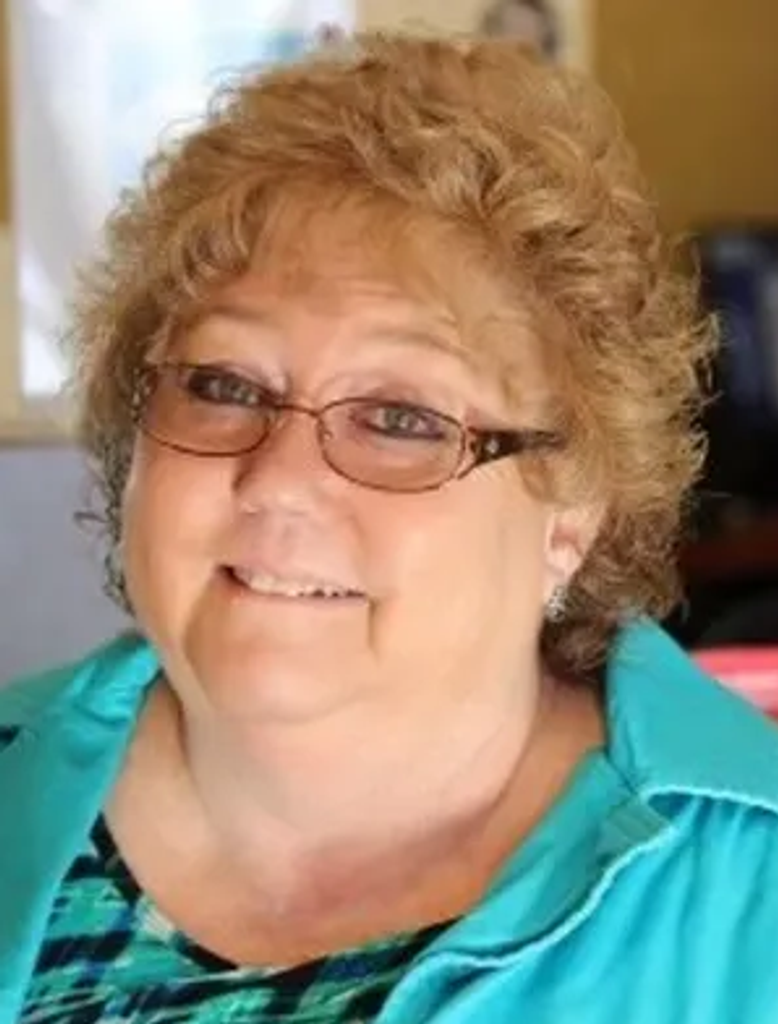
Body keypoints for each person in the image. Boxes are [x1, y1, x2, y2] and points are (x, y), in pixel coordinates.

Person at [2, 33, 778, 1024]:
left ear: (570, 511)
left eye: (402, 419)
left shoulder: (750, 900)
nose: (279, 482)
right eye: (224, 385)